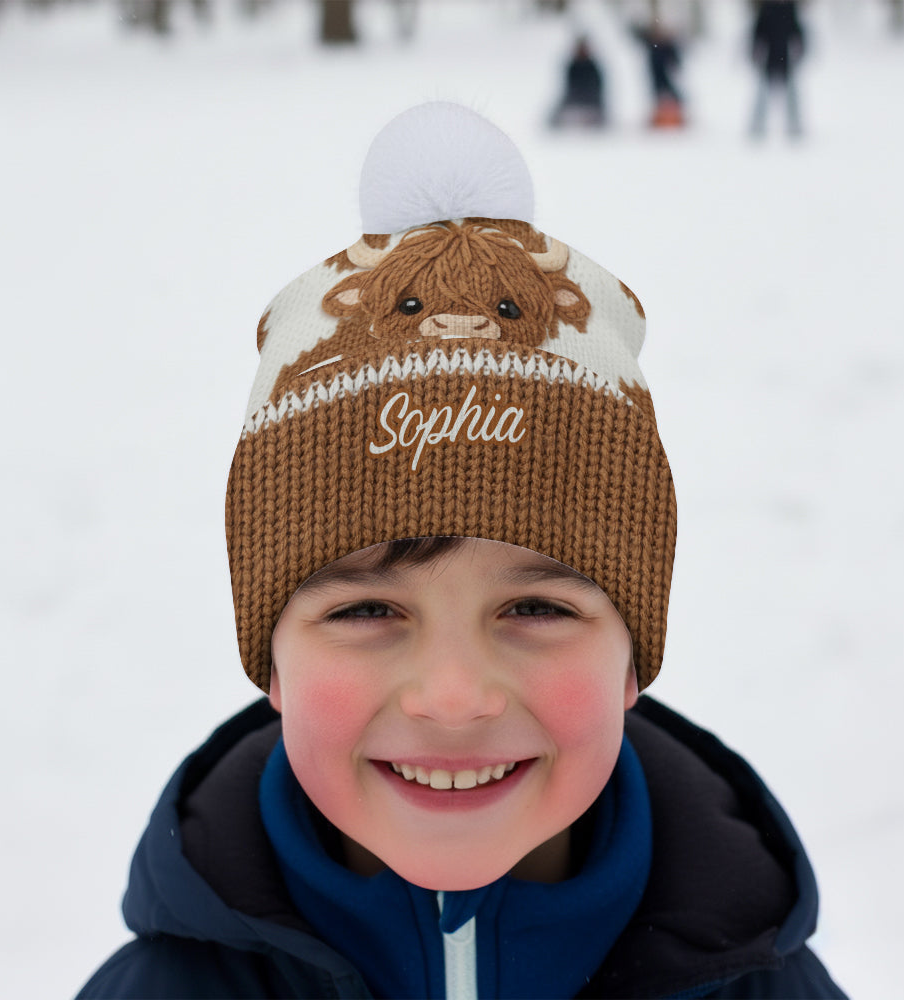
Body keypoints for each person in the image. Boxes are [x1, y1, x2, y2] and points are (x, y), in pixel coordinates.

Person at [76, 102, 846, 999]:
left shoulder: (762, 985)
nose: (453, 698)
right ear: (270, 663)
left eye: (536, 608)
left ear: (633, 659)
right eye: (366, 609)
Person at [749, 0, 807, 137]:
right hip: (768, 59)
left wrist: (800, 49)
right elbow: (758, 32)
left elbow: (797, 31)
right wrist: (755, 51)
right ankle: (757, 124)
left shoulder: (789, 8)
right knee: (761, 94)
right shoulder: (766, 9)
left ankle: (795, 124)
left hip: (785, 58)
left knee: (792, 94)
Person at [630, 19, 686, 128]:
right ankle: (662, 118)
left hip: (668, 79)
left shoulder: (668, 46)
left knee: (673, 97)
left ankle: (673, 117)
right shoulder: (651, 45)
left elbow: (676, 63)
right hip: (656, 79)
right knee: (660, 98)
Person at [549, 36, 608, 128]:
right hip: (574, 102)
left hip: (591, 103)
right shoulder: (572, 66)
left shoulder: (592, 66)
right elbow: (568, 88)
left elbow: (597, 88)